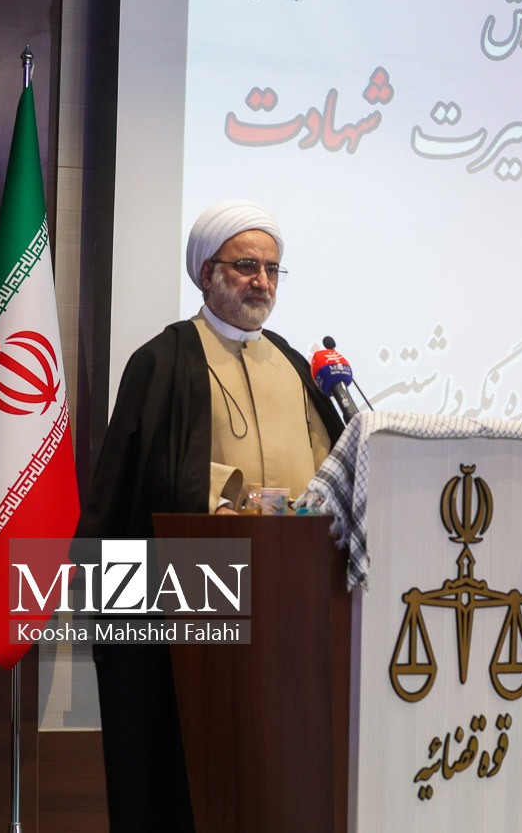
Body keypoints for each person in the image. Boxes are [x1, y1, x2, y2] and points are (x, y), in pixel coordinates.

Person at [75, 200, 345, 831]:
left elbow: (331, 466)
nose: (262, 282)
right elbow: (142, 480)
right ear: (206, 273)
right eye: (246, 266)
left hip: (293, 607)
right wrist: (229, 493)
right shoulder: (163, 361)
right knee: (191, 781)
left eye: (273, 269)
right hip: (197, 606)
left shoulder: (294, 364)